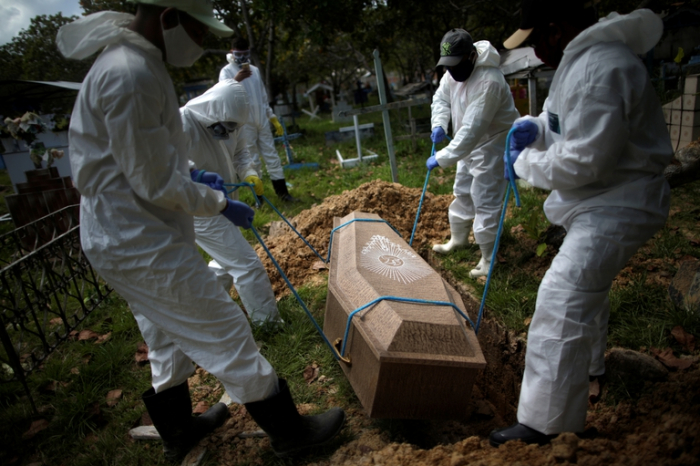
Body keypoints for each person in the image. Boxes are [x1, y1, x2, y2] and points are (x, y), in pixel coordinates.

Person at [56, 1, 345, 462]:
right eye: (197, 27)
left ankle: (177, 429)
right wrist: (217, 202)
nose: (205, 41)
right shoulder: (129, 74)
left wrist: (193, 172)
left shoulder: (133, 63)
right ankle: (291, 432)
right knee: (225, 327)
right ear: (168, 16)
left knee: (163, 334)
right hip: (137, 238)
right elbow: (153, 180)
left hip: (126, 231)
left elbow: (152, 150)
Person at [490, 1, 672, 446]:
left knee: (562, 296)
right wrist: (533, 128)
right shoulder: (581, 61)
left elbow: (586, 159)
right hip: (601, 198)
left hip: (619, 201)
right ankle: (589, 368)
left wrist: (526, 162)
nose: (533, 52)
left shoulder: (601, 68)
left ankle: (546, 424)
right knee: (586, 289)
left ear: (555, 30)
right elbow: (564, 123)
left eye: (535, 42)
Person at [180, 79, 282, 327]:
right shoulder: (181, 124)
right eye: (225, 126)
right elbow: (174, 173)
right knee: (246, 265)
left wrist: (250, 172)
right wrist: (218, 201)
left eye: (233, 128)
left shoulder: (231, 122)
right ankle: (267, 323)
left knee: (225, 262)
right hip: (199, 209)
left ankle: (203, 311)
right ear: (212, 110)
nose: (228, 132)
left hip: (226, 202)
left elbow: (240, 152)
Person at [428, 29, 520, 278]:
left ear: (471, 56)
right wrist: (439, 123)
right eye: (447, 65)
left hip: (491, 144)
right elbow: (441, 99)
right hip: (466, 145)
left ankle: (489, 259)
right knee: (462, 190)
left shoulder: (488, 81)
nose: (451, 70)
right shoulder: (452, 72)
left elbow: (473, 129)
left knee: (485, 201)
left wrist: (442, 157)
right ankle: (459, 240)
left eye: (455, 64)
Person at [219, 37, 299, 203]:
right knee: (252, 160)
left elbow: (262, 97)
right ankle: (259, 198)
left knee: (272, 156)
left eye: (245, 53)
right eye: (239, 54)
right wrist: (236, 80)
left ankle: (283, 193)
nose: (242, 57)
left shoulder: (254, 71)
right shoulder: (226, 72)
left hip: (261, 120)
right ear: (232, 53)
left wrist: (272, 117)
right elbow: (222, 95)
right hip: (243, 123)